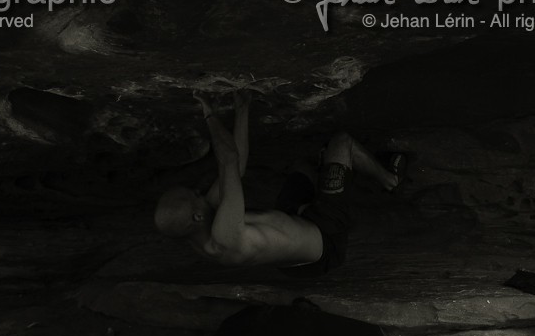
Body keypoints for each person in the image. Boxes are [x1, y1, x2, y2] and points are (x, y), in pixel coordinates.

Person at [153, 90, 400, 276]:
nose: (200, 191)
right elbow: (228, 159)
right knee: (341, 142)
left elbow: (237, 167)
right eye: (195, 195)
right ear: (196, 217)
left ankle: (336, 180)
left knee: (301, 167)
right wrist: (209, 113)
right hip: (326, 237)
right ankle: (390, 179)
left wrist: (243, 108)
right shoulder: (224, 240)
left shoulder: (202, 223)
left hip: (294, 226)